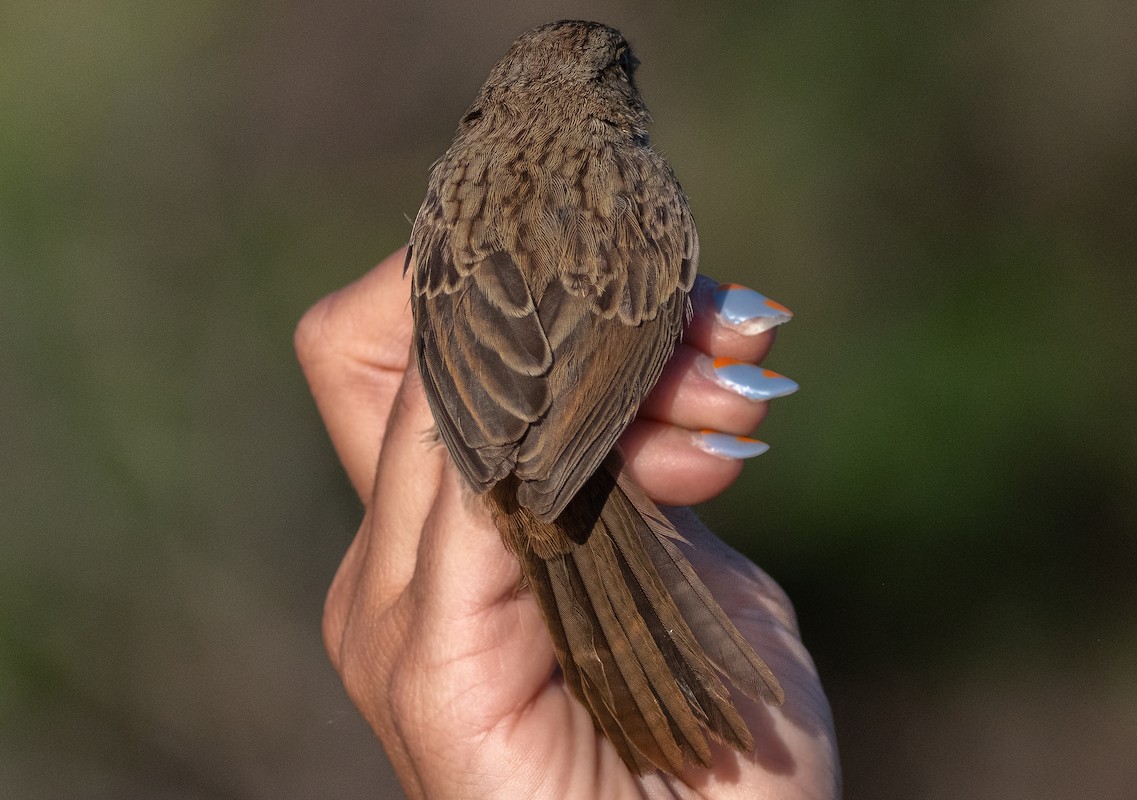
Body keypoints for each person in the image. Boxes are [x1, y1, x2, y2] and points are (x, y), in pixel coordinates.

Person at [295, 247, 842, 798]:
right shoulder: (642, 195)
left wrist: (527, 452)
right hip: (543, 453)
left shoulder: (454, 204)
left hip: (510, 434)